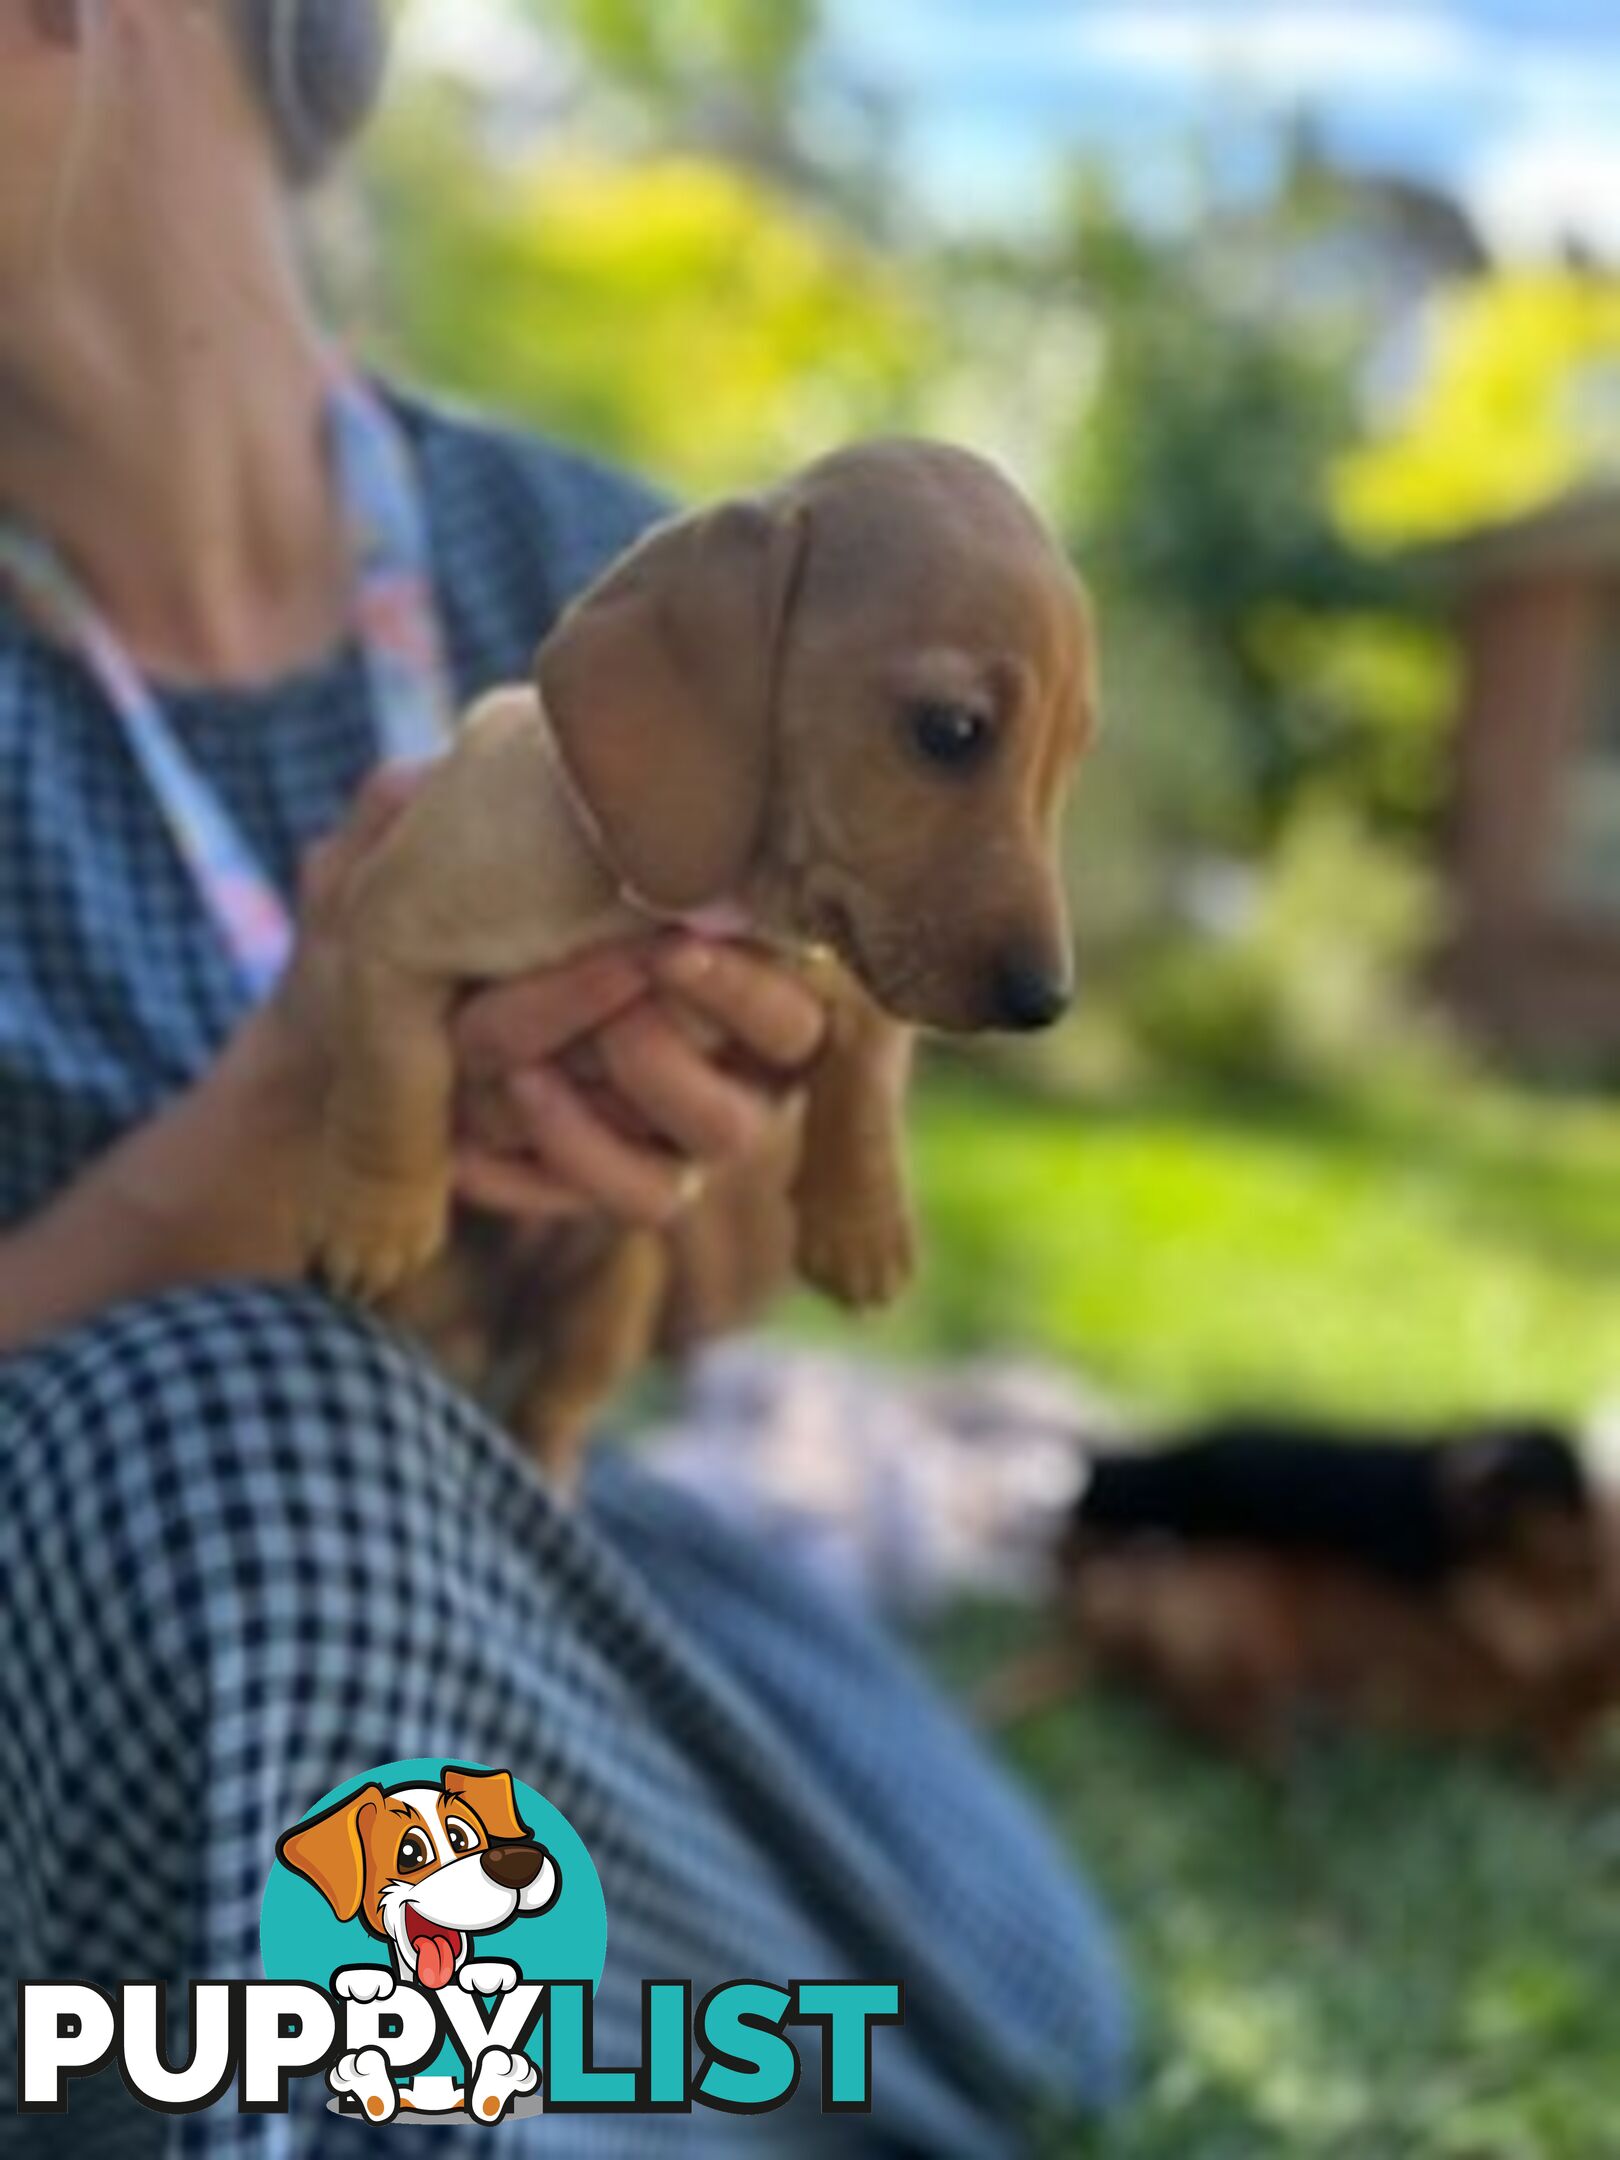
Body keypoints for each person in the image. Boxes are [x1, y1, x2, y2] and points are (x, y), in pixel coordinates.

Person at [0, 4, 1130, 2152]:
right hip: (78, 1707)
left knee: (1029, 1998)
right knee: (240, 1448)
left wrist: (695, 1205)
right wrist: (241, 1168)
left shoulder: (639, 575)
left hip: (503, 1606)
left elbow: (712, 1287)